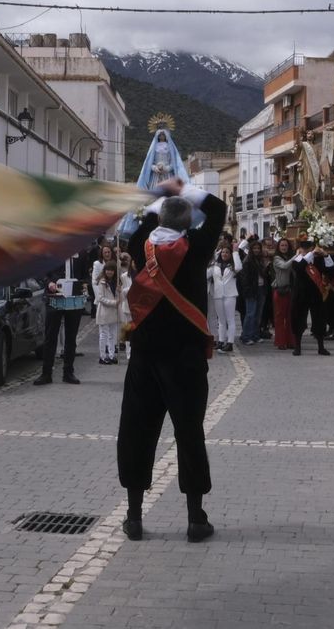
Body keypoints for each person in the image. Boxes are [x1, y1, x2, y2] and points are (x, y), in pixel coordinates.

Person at [117, 177, 226, 543]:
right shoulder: (196, 248)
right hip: (186, 359)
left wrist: (162, 194)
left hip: (145, 356)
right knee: (189, 433)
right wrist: (186, 189)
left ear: (159, 220)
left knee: (136, 431)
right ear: (187, 223)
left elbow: (144, 225)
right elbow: (218, 209)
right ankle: (196, 519)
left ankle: (133, 518)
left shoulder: (139, 244)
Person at [34, 265, 85, 386]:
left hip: (74, 299)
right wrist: (49, 282)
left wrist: (85, 284)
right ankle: (46, 373)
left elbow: (86, 273)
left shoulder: (79, 252)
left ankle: (68, 372)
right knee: (50, 338)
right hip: (54, 298)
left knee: (71, 338)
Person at [290, 239, 334, 356]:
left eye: (308, 248)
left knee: (319, 319)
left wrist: (326, 255)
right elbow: (300, 268)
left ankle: (321, 347)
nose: (305, 250)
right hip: (300, 294)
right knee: (299, 319)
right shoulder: (297, 260)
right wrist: (310, 253)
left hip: (315, 293)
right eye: (303, 248)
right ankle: (298, 347)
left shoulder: (318, 260)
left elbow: (330, 269)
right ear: (300, 249)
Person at [207, 245, 242, 353]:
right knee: (221, 321)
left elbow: (239, 267)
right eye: (223, 252)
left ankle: (230, 343)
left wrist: (236, 252)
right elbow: (205, 274)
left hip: (230, 295)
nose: (224, 254)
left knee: (230, 320)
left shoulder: (232, 266)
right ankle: (221, 341)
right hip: (218, 295)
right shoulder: (214, 266)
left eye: (227, 252)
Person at [94, 261, 129, 364]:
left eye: (111, 270)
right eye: (108, 270)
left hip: (114, 312)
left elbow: (121, 299)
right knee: (103, 334)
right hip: (104, 311)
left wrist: (120, 292)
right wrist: (113, 302)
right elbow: (100, 298)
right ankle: (102, 356)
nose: (109, 272)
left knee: (112, 334)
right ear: (105, 271)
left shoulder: (117, 283)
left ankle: (112, 355)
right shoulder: (102, 282)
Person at [236, 243, 268, 346]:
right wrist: (248, 291)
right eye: (254, 248)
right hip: (252, 290)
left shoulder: (260, 260)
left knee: (258, 314)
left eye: (258, 248)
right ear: (251, 249)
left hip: (261, 289)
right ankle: (246, 336)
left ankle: (255, 335)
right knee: (250, 314)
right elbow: (244, 279)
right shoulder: (247, 261)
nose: (257, 250)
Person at [270, 238, 296, 349]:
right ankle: (280, 342)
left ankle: (290, 341)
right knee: (280, 317)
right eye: (282, 245)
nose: (284, 247)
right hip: (280, 290)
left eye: (286, 245)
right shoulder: (276, 258)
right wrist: (296, 256)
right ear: (279, 247)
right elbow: (285, 266)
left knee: (290, 317)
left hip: (289, 290)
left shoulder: (289, 257)